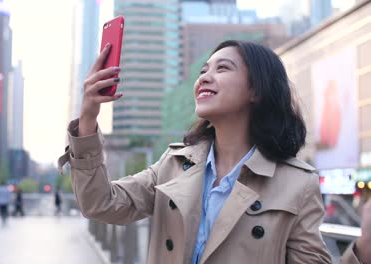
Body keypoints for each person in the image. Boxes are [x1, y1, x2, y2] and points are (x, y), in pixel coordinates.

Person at [58, 40, 371, 263]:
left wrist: (363, 249)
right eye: (203, 70)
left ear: (257, 90)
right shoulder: (175, 163)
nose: (204, 77)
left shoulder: (297, 183)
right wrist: (88, 119)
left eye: (223, 68)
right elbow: (100, 203)